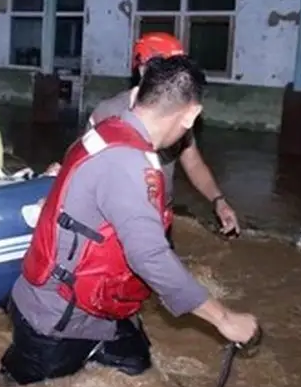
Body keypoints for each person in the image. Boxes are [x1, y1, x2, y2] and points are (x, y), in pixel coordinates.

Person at [0, 56, 259, 386]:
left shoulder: (108, 128)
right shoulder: (129, 164)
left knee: (138, 370)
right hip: (56, 320)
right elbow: (150, 256)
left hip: (98, 310)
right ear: (192, 114)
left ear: (138, 96)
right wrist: (224, 319)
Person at [89, 32, 240, 235]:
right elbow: (86, 172)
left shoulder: (179, 113)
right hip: (118, 224)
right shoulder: (108, 113)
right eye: (169, 70)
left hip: (161, 218)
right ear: (143, 70)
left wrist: (218, 200)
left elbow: (193, 163)